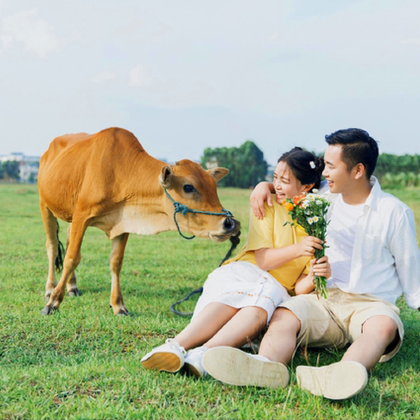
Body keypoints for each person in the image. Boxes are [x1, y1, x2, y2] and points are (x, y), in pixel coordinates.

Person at [202, 128, 420, 400]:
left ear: (357, 170)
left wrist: (415, 300)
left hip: (371, 305)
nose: (324, 173)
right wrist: (263, 187)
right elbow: (290, 187)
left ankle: (342, 374)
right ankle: (266, 366)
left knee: (384, 328)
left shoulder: (395, 212)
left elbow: (410, 265)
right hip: (324, 300)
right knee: (284, 314)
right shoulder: (323, 201)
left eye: (330, 166)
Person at [141, 147, 331, 379]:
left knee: (260, 305)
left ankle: (202, 354)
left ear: (306, 187)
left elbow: (299, 287)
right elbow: (263, 260)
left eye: (284, 181)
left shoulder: (315, 221)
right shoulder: (267, 203)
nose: (277, 185)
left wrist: (313, 275)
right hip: (248, 272)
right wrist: (298, 248)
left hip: (275, 293)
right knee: (250, 295)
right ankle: (175, 345)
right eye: (275, 179)